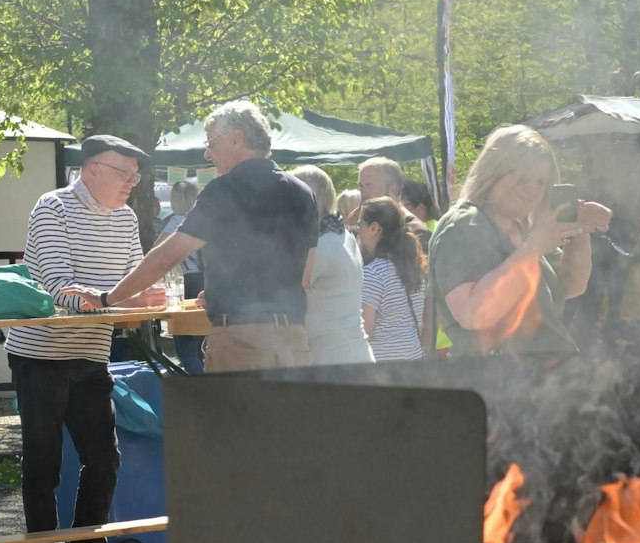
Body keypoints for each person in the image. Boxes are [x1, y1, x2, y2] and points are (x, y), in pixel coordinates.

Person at [18, 134, 165, 543]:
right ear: (93, 169)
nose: (133, 183)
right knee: (44, 463)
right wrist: (115, 299)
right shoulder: (52, 208)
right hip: (40, 355)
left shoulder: (126, 217)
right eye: (126, 174)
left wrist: (148, 300)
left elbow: (135, 281)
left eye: (137, 175)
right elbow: (60, 286)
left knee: (104, 458)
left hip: (92, 353)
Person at [106, 101, 320, 373]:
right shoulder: (303, 191)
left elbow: (168, 256)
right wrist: (226, 290)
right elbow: (304, 277)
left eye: (211, 142)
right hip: (293, 339)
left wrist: (108, 298)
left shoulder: (223, 189)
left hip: (243, 341)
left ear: (236, 139)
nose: (208, 153)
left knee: (234, 418)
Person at [427, 125, 609, 355]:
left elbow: (572, 285)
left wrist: (578, 230)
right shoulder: (465, 225)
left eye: (541, 182)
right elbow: (474, 313)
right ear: (494, 170)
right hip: (495, 379)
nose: (531, 189)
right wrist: (533, 248)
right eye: (522, 177)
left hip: (541, 377)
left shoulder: (522, 228)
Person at [289, 165, 373, 367]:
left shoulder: (321, 246)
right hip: (347, 355)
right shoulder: (338, 232)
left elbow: (285, 289)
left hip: (334, 360)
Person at [356, 196, 427, 361]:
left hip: (384, 364)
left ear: (374, 228)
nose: (357, 230)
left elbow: (365, 330)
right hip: (413, 356)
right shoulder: (412, 267)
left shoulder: (373, 273)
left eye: (360, 224)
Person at [159, 179, 207, 373]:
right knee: (201, 340)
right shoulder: (203, 220)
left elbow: (158, 249)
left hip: (184, 282)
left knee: (185, 341)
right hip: (204, 280)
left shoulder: (177, 221)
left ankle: (197, 385)